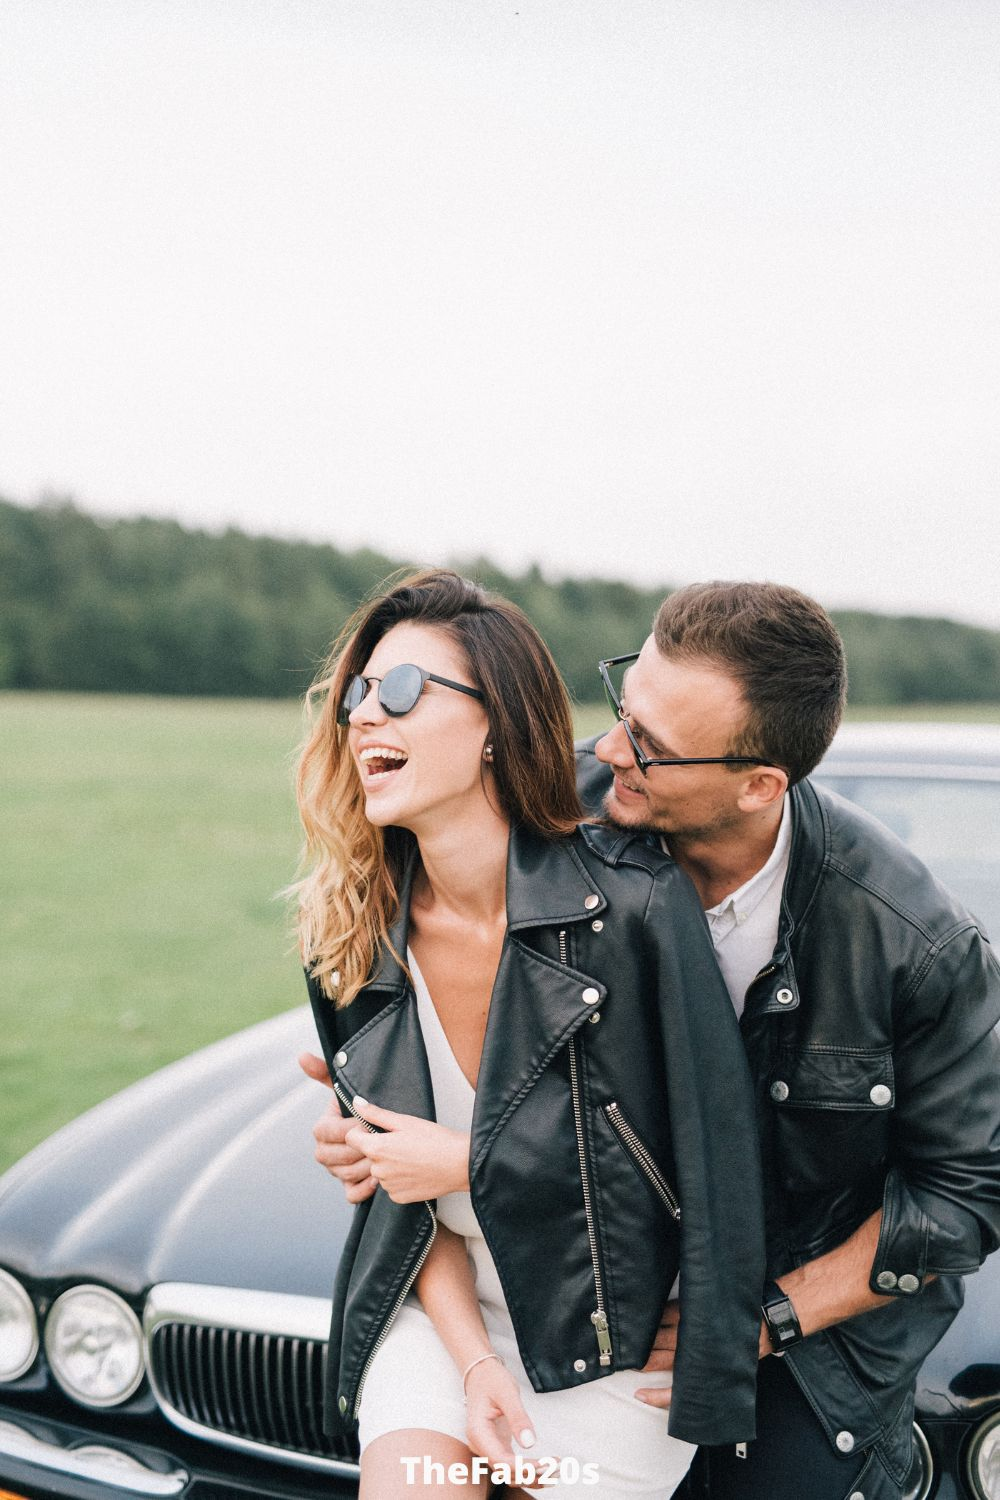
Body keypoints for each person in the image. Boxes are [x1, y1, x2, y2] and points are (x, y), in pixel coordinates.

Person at [307, 578, 1000, 1500]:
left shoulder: (915, 946)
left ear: (758, 785)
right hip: (574, 1282)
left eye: (655, 749)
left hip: (808, 1323)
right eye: (624, 711)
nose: (610, 751)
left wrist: (765, 1317)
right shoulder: (566, 812)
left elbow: (964, 1199)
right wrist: (369, 1114)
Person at [295, 569, 766, 1500]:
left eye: (400, 692)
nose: (363, 717)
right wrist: (474, 1368)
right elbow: (400, 1190)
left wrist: (470, 1161)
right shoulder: (349, 928)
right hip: (446, 1313)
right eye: (357, 692)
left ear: (494, 727)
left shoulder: (634, 906)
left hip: (613, 1340)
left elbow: (703, 1168)